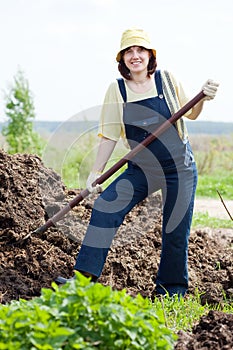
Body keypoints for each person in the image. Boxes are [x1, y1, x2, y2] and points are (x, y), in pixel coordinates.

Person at [56, 28, 219, 297]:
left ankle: (171, 291)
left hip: (180, 167)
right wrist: (96, 172)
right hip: (143, 169)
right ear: (122, 59)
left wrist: (205, 97)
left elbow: (192, 112)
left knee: (175, 228)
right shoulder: (117, 90)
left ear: (150, 54)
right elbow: (108, 134)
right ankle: (83, 282)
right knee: (106, 207)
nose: (135, 55)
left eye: (140, 50)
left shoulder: (167, 80)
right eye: (129, 51)